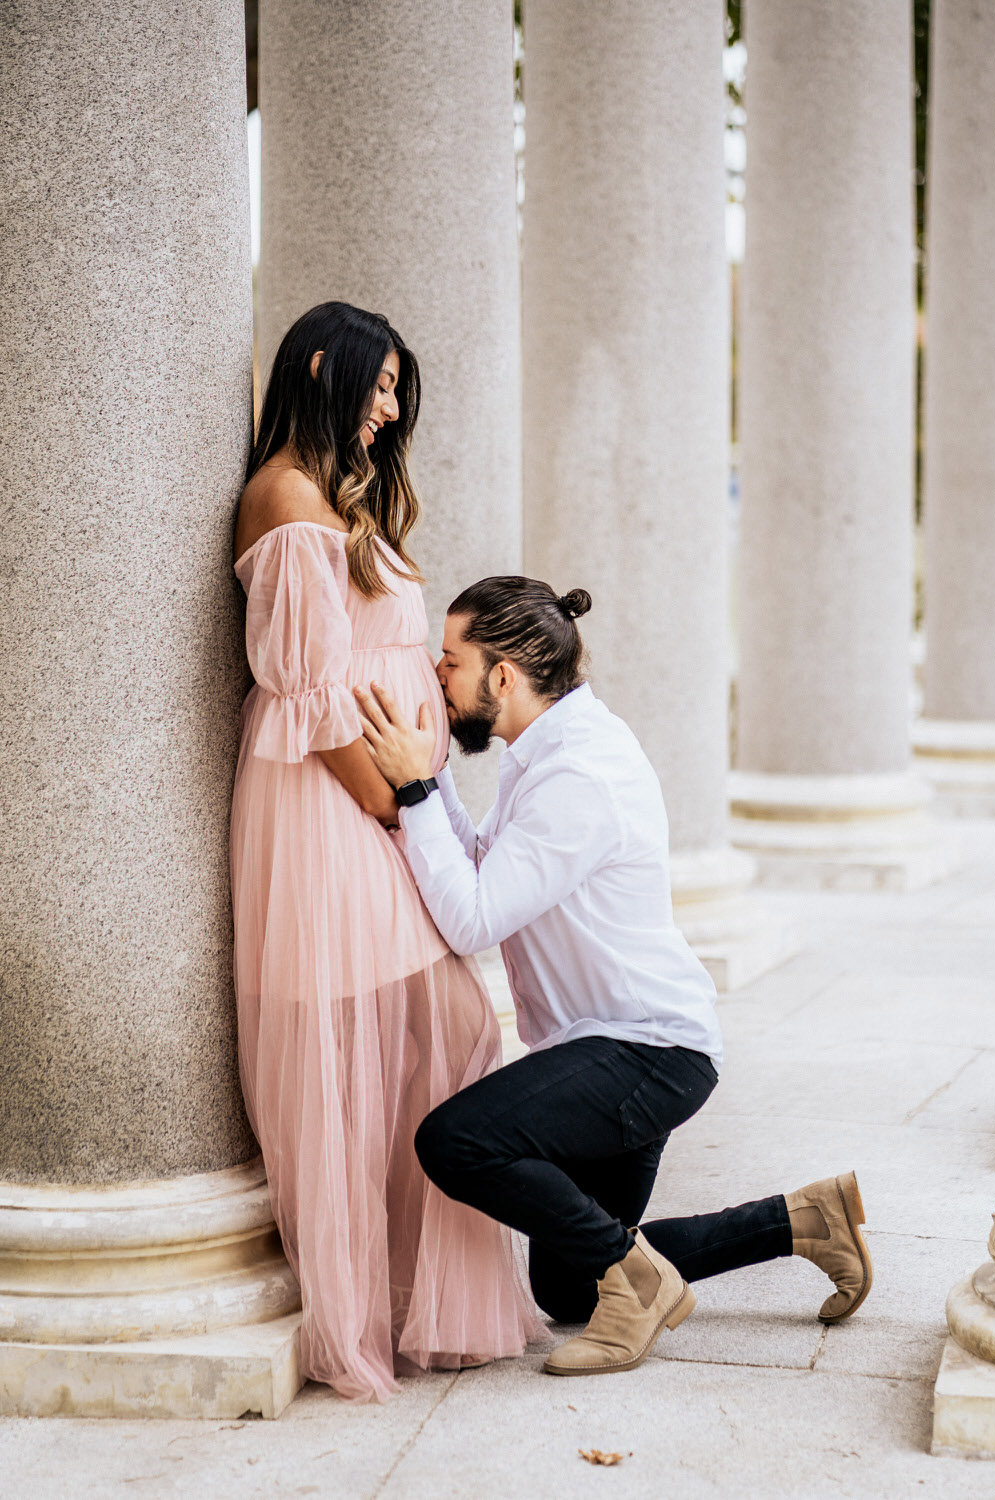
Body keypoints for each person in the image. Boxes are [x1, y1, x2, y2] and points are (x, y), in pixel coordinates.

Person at [355, 576, 873, 1378]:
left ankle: (638, 1284)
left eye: (448, 661)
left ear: (502, 677)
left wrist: (418, 791)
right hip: (617, 1043)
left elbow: (475, 918)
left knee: (455, 1141)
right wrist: (432, 779)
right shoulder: (554, 751)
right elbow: (488, 865)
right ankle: (805, 1221)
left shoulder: (580, 776)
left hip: (646, 1052)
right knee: (567, 1282)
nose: (434, 675)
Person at [229, 306, 540, 1403]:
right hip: (334, 803)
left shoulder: (348, 499)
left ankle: (424, 1296)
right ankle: (355, 1315)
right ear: (324, 367)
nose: (391, 409)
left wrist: (421, 796)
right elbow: (311, 703)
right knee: (364, 1043)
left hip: (386, 796)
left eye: (399, 391)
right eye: (379, 386)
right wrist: (401, 804)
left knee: (438, 1029)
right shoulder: (287, 496)